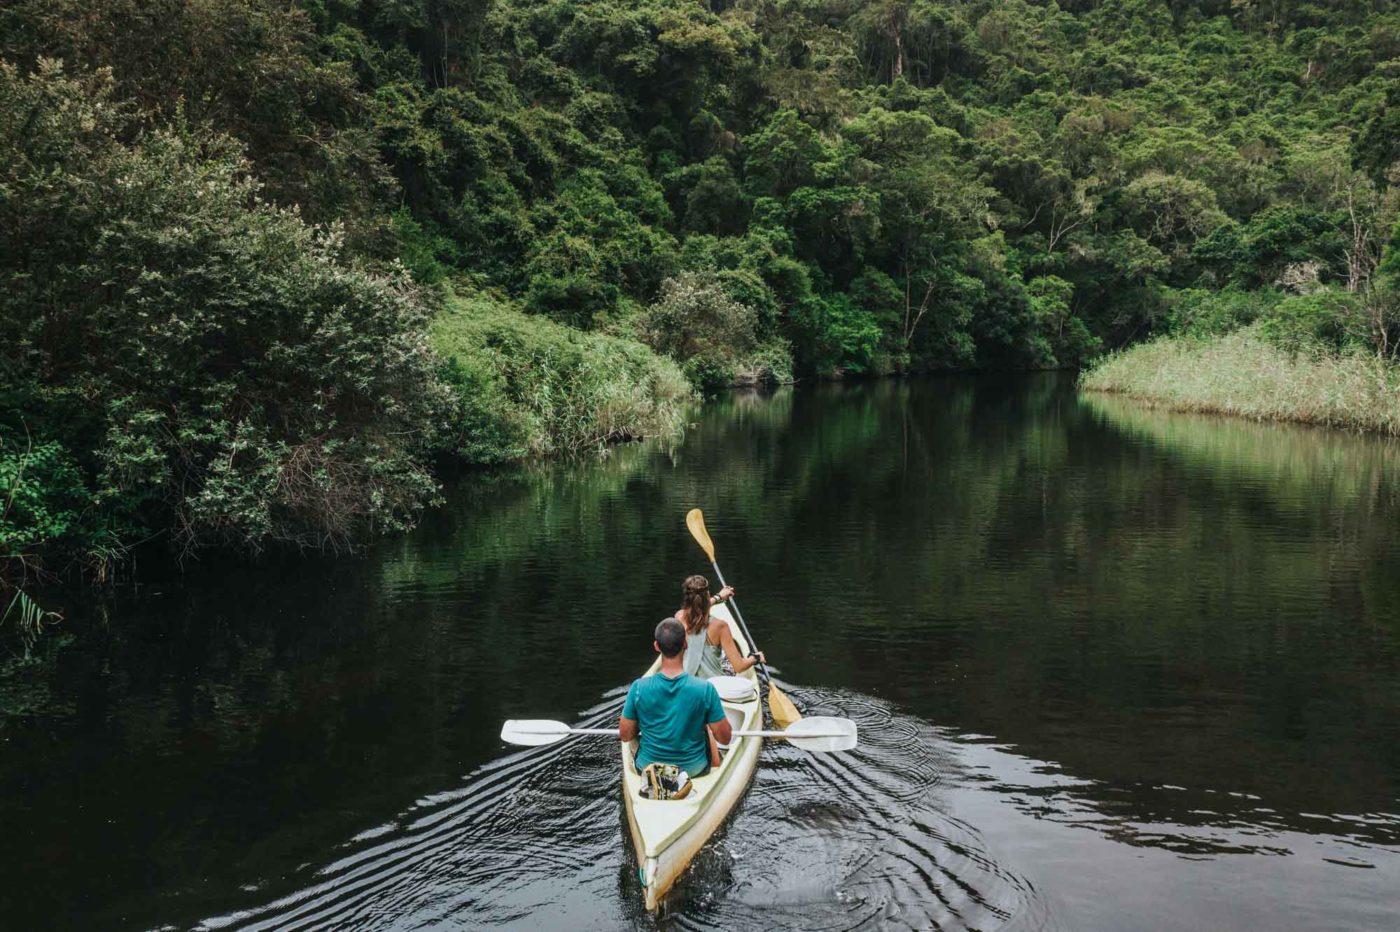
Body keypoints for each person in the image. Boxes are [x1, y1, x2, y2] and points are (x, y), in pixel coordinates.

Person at [620, 618, 732, 775]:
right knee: (706, 726)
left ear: (656, 646)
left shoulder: (638, 688)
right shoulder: (705, 689)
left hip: (648, 770)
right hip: (693, 771)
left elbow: (625, 736)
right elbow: (725, 739)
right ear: (685, 644)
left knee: (632, 721)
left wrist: (644, 721)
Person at [674, 574, 765, 680]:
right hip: (712, 688)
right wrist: (755, 658)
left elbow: (696, 607)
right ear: (707, 595)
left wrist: (719, 597)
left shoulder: (679, 617)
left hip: (685, 682)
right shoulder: (720, 626)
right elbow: (739, 667)